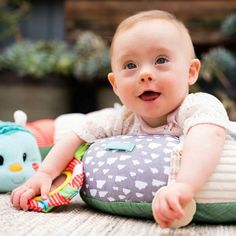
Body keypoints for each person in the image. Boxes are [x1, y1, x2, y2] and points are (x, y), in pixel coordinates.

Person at [11, 10, 230, 228]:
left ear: (191, 71)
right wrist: (46, 173)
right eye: (130, 65)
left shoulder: (198, 105)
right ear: (115, 84)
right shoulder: (124, 118)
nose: (145, 74)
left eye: (161, 60)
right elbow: (78, 134)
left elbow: (207, 138)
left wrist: (183, 185)